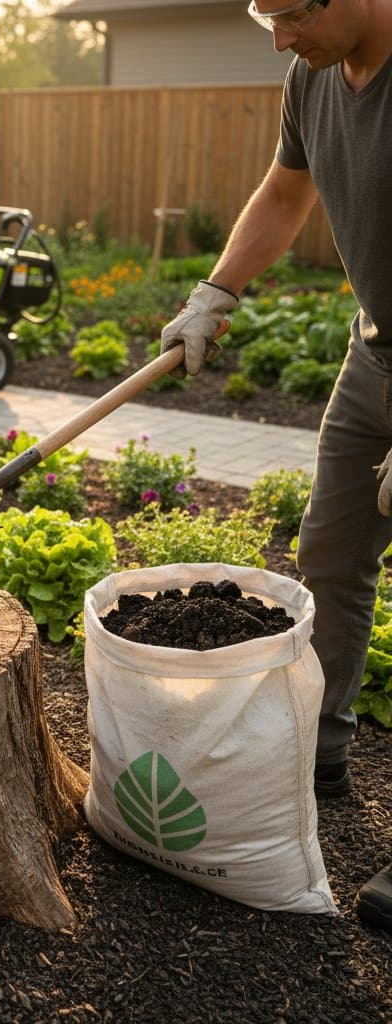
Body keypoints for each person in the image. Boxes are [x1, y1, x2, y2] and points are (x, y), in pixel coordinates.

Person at [159, 0, 392, 932]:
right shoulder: (312, 78)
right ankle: (321, 744)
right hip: (374, 355)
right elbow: (286, 191)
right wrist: (217, 289)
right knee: (331, 552)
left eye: (291, 12)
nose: (277, 36)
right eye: (265, 12)